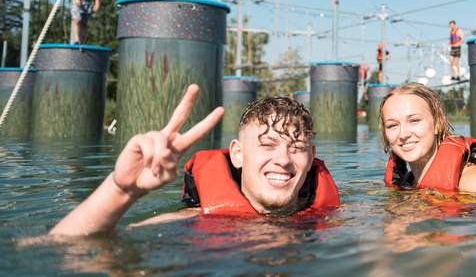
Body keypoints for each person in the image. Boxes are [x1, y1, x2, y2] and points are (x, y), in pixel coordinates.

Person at [50, 85, 340, 236]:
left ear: (311, 156)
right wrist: (121, 191)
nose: (283, 160)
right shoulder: (192, 223)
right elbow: (58, 249)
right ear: (237, 154)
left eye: (297, 147)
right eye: (267, 145)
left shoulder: (341, 220)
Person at [381, 82, 476, 197]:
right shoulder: (408, 183)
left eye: (414, 121)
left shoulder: (471, 181)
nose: (403, 134)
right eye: (392, 125)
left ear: (438, 124)